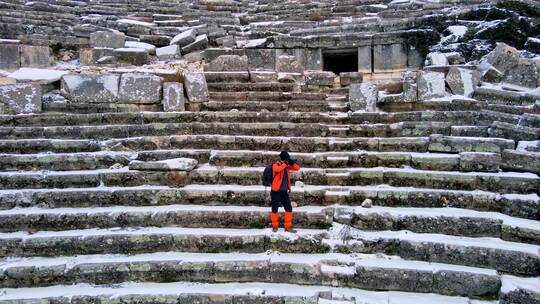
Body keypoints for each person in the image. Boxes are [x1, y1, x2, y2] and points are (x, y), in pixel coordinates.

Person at [270, 151, 300, 233]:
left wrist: (292, 163)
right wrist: (285, 164)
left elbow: (297, 168)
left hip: (284, 192)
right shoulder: (276, 165)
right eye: (286, 158)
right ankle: (275, 226)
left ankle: (288, 226)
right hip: (275, 191)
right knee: (274, 209)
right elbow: (277, 169)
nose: (287, 160)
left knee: (289, 208)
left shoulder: (287, 166)